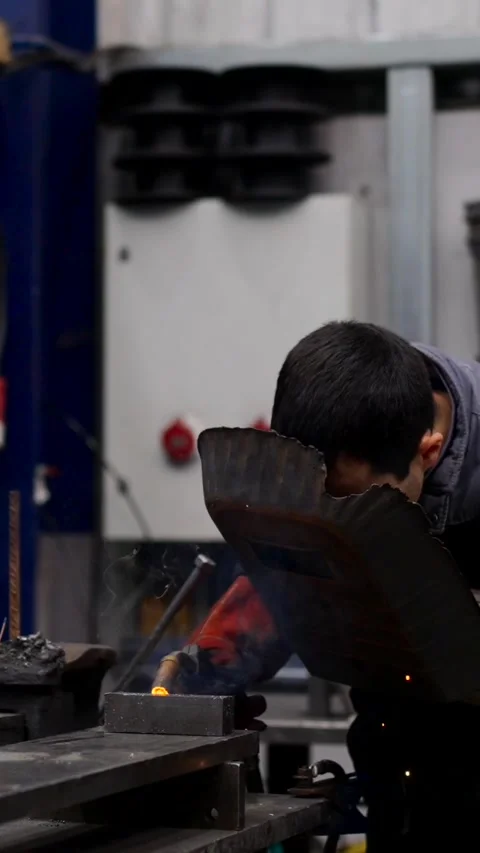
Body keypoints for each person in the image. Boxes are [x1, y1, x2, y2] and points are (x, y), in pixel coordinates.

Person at [168, 321, 480, 850]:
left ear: (427, 453)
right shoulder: (355, 409)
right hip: (397, 767)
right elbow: (301, 565)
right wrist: (208, 671)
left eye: (365, 508)